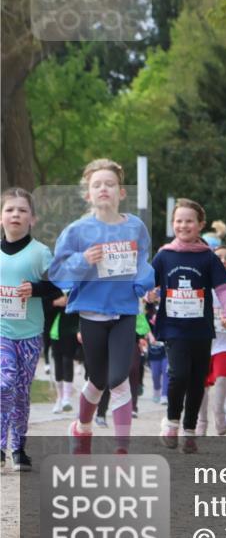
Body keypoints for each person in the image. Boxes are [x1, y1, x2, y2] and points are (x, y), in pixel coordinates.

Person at [50, 159, 155, 455]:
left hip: (124, 313)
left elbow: (143, 261)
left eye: (110, 184)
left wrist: (142, 284)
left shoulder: (135, 226)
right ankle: (82, 427)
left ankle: (122, 449)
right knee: (97, 380)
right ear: (88, 195)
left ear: (122, 192)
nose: (103, 189)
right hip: (91, 313)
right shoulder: (77, 231)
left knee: (119, 378)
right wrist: (84, 260)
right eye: (97, 185)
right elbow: (58, 272)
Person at [150, 199, 226, 452]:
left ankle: (190, 430)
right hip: (174, 326)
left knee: (198, 379)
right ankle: (172, 422)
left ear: (200, 225)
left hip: (200, 328)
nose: (183, 225)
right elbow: (150, 283)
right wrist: (149, 294)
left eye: (189, 221)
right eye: (178, 220)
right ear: (172, 224)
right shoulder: (164, 255)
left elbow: (222, 287)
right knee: (179, 375)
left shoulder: (208, 257)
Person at [1, 188, 58, 470]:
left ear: (32, 219)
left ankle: (18, 449)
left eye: (22, 210)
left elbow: (59, 283)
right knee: (4, 383)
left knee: (21, 391)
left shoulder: (40, 253)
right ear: (1, 217)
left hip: (30, 333)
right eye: (10, 209)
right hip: (1, 332)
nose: (16, 215)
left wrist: (35, 289)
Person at [196, 244, 226, 436]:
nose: (223, 261)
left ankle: (219, 411)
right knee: (201, 385)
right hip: (202, 342)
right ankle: (201, 421)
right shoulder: (201, 283)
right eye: (219, 257)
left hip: (224, 342)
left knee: (223, 376)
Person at [48, 293, 80, 414]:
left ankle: (67, 398)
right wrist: (56, 302)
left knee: (67, 362)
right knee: (58, 365)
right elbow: (46, 305)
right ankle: (59, 398)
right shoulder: (55, 287)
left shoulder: (75, 286)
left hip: (70, 331)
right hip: (54, 332)